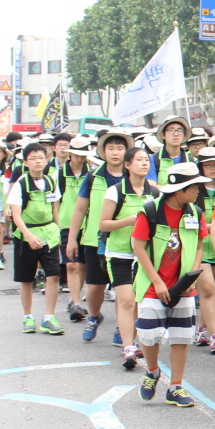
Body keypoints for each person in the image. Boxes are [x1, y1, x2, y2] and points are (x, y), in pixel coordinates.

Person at [131, 162, 212, 408]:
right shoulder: (150, 210)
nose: (198, 190)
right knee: (147, 333)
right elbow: (138, 246)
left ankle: (175, 387)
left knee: (181, 336)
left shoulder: (195, 213)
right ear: (179, 189)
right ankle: (152, 371)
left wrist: (192, 277)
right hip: (152, 285)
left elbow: (199, 244)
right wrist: (157, 281)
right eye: (194, 186)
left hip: (183, 286)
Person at [67, 129, 129, 342]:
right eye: (110, 148)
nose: (115, 152)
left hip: (126, 242)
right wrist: (71, 239)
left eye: (120, 148)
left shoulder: (134, 176)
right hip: (96, 241)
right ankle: (95, 316)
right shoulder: (93, 176)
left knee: (124, 289)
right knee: (95, 288)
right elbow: (79, 209)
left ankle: (122, 329)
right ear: (102, 151)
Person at [100, 146, 158, 371]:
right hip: (119, 253)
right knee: (125, 300)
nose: (144, 164)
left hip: (144, 254)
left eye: (147, 160)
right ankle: (127, 347)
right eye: (139, 160)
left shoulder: (154, 192)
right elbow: (103, 224)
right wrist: (129, 220)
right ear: (127, 165)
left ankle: (138, 340)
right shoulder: (116, 191)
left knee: (140, 300)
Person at [7, 142, 64, 335]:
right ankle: (28, 316)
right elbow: (16, 215)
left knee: (53, 275)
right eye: (33, 158)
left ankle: (49, 317)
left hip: (49, 234)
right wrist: (29, 236)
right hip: (26, 235)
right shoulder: (20, 184)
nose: (38, 161)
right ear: (25, 162)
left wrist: (57, 229)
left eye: (41, 157)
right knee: (26, 279)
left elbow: (55, 207)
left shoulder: (51, 181)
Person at [189, 145, 215, 354]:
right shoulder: (194, 191)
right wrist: (214, 226)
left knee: (210, 293)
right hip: (199, 250)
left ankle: (201, 329)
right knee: (208, 290)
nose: (212, 169)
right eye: (207, 165)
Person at [58, 136, 94, 321]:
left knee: (83, 265)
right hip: (66, 223)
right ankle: (76, 302)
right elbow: (55, 201)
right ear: (70, 154)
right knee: (71, 264)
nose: (79, 159)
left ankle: (76, 298)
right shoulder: (59, 174)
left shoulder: (92, 173)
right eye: (76, 154)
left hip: (88, 224)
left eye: (83, 155)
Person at [148, 116, 190, 182]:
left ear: (184, 135)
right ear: (163, 135)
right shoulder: (153, 159)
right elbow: (152, 185)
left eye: (180, 130)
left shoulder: (191, 160)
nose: (176, 134)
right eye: (171, 130)